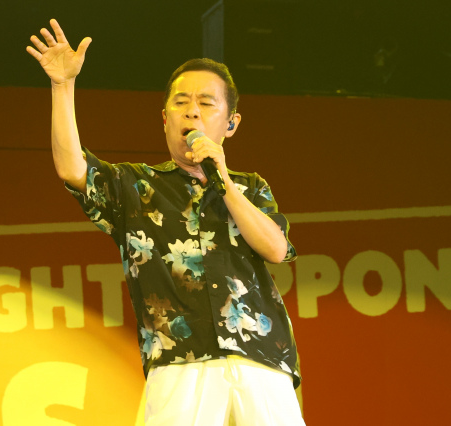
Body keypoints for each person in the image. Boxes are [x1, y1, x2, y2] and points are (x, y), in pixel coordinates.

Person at [27, 19, 305, 426]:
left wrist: (223, 180)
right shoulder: (136, 186)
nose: (192, 110)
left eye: (206, 103)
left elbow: (276, 249)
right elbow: (72, 168)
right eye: (181, 102)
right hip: (179, 359)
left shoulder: (250, 187)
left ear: (231, 123)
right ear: (164, 117)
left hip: (260, 357)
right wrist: (62, 86)